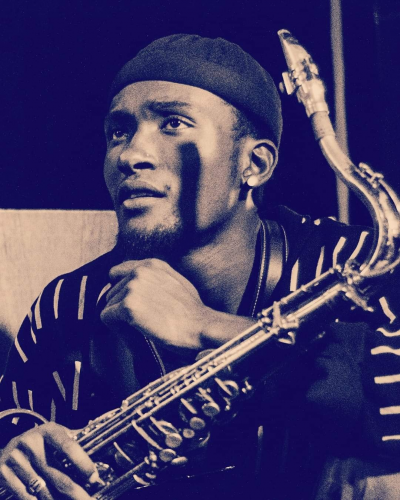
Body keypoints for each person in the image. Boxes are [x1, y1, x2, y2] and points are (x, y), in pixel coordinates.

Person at [0, 34, 398, 500]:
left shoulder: (356, 263)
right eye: (119, 132)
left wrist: (204, 326)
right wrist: (15, 451)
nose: (130, 155)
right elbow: (15, 420)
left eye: (173, 124)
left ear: (255, 163)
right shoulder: (66, 305)